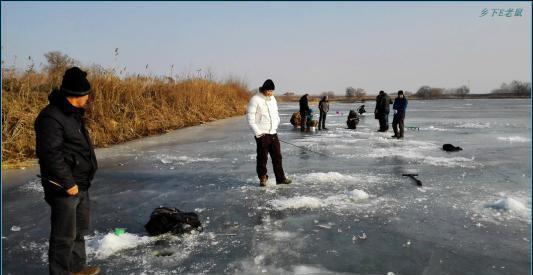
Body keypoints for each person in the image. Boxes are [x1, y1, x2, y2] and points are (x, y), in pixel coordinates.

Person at [34, 67, 100, 275]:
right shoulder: (51, 118)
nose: (89, 97)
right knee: (63, 236)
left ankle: (77, 269)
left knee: (79, 231)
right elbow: (50, 154)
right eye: (87, 93)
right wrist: (68, 183)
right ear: (78, 94)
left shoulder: (73, 115)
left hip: (80, 183)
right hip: (64, 187)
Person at [247, 79, 292, 187]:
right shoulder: (255, 99)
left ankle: (280, 178)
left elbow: (276, 113)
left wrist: (276, 124)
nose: (270, 93)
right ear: (264, 89)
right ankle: (262, 177)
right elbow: (250, 119)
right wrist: (258, 133)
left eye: (272, 91)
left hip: (273, 133)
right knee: (262, 158)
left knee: (277, 157)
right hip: (262, 134)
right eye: (269, 91)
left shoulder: (273, 99)